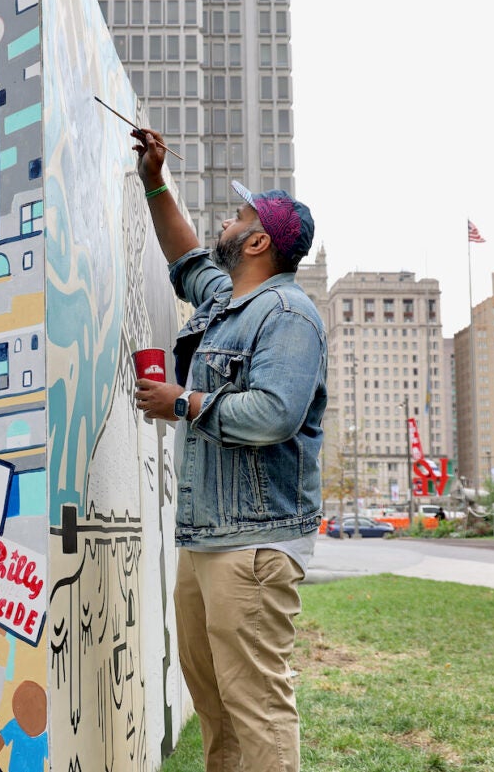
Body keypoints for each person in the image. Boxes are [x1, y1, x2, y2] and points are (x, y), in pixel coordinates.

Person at [130, 127, 327, 772]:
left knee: (256, 705)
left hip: (254, 544)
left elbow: (273, 414)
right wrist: (155, 180)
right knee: (215, 703)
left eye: (240, 214)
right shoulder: (227, 303)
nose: (227, 218)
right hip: (211, 537)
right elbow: (188, 258)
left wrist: (182, 401)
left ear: (260, 240)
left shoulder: (289, 314)